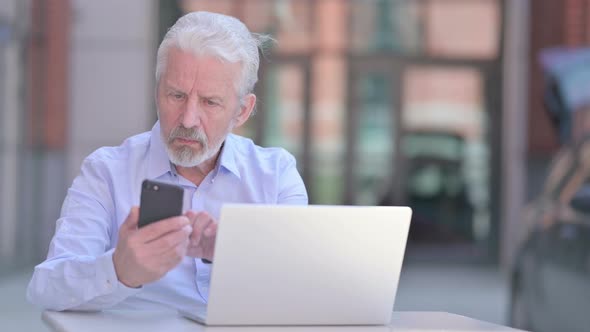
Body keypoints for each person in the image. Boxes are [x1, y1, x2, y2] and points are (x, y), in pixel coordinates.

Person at [26, 11, 308, 312]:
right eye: (176, 95)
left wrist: (237, 255)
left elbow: (304, 286)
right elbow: (46, 289)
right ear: (157, 91)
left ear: (242, 111)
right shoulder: (107, 171)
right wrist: (119, 271)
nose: (187, 119)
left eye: (210, 102)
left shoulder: (276, 176)